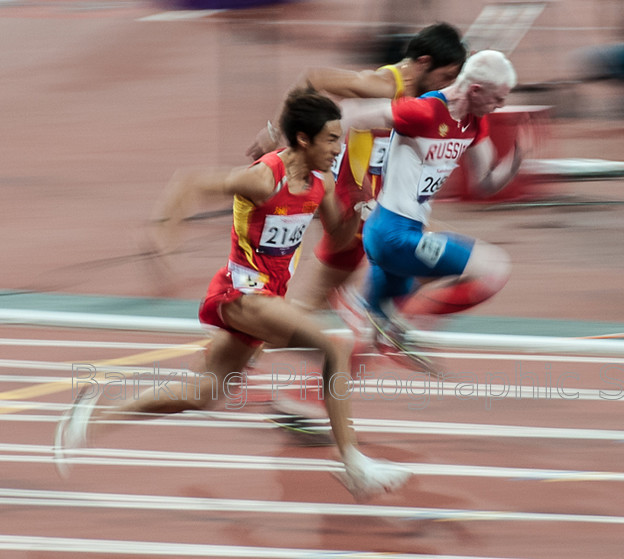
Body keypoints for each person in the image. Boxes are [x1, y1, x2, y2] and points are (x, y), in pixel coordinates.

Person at [53, 89, 411, 501]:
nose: (339, 147)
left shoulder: (322, 185)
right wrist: (164, 231)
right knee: (334, 349)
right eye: (331, 139)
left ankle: (93, 413)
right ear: (303, 140)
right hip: (240, 294)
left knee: (203, 393)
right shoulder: (264, 177)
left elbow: (339, 234)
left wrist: (364, 209)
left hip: (268, 298)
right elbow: (190, 181)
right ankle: (353, 464)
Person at [246, 22, 467, 313]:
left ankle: (366, 312)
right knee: (446, 256)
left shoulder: (428, 96)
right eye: (446, 76)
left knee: (320, 299)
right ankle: (371, 313)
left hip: (375, 198)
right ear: (424, 62)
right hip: (355, 201)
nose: (447, 85)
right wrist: (277, 132)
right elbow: (313, 78)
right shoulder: (385, 85)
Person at [336, 50, 526, 364]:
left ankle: (301, 401)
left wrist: (516, 160)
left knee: (366, 347)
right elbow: (354, 113)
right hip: (392, 234)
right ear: (475, 90)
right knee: (492, 267)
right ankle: (399, 327)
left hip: (405, 236)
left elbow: (485, 184)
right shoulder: (423, 111)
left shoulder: (474, 124)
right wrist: (329, 166)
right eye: (498, 99)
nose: (501, 106)